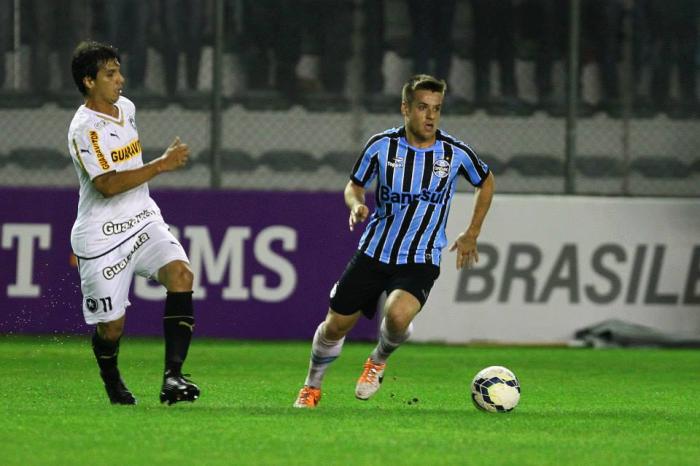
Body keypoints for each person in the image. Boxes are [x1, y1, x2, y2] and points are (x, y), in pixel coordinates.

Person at [293, 74, 495, 408]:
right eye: (422, 107)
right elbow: (354, 185)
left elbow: (485, 182)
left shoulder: (454, 153)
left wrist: (472, 232)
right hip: (374, 251)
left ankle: (378, 359)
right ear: (405, 108)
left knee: (398, 316)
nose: (430, 116)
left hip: (421, 255)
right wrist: (356, 204)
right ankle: (312, 386)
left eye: (436, 109)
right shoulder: (381, 146)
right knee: (334, 327)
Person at [67, 40, 200, 405]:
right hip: (102, 235)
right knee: (111, 329)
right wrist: (161, 165)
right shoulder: (84, 129)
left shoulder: (126, 108)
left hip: (142, 220)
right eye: (110, 74)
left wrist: (156, 168)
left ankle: (172, 378)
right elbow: (107, 185)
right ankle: (110, 375)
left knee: (182, 275)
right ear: (89, 81)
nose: (121, 80)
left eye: (119, 71)